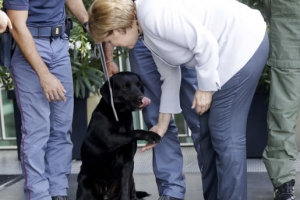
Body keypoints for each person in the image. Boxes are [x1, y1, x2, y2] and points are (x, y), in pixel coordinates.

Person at [88, 0, 269, 199]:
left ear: (118, 29)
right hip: (227, 51)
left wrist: (205, 88)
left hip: (243, 43)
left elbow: (205, 42)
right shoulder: (144, 29)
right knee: (210, 131)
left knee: (224, 132)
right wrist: (162, 125)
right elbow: (170, 75)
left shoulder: (152, 14)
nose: (114, 46)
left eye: (111, 40)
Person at [3, 0, 88, 200]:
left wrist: (86, 21)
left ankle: (59, 191)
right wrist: (44, 74)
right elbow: (17, 25)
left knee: (62, 126)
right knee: (36, 129)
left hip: (59, 44)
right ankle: (39, 195)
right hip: (29, 45)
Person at [104, 39, 200, 200]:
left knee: (199, 118)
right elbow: (109, 18)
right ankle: (171, 191)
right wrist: (108, 58)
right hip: (140, 42)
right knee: (157, 122)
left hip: (178, 39)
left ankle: (215, 186)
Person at [262, 1, 300, 199]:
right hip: (287, 26)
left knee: (282, 113)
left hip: (286, 19)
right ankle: (283, 181)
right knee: (282, 112)